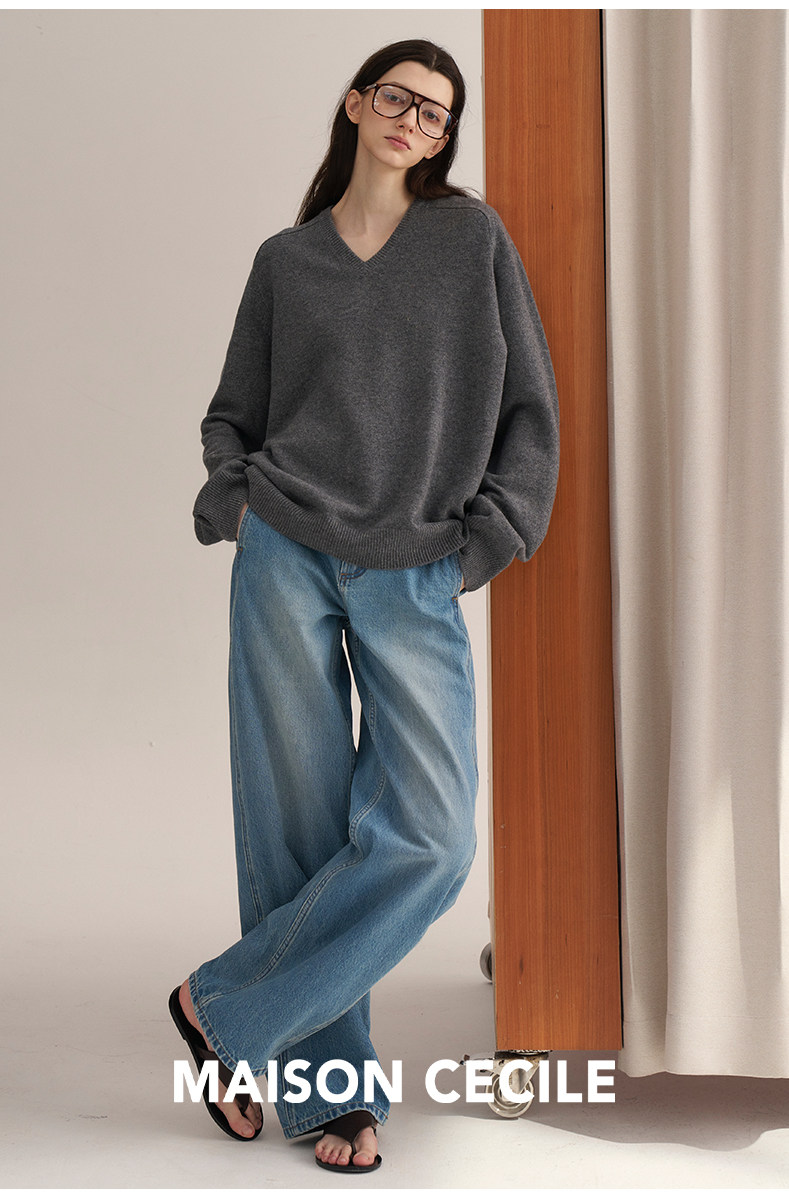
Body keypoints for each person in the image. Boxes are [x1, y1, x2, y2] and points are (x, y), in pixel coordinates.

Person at [169, 37, 559, 1173]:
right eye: (398, 98)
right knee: (294, 829)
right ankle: (328, 1091)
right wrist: (236, 499)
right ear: (355, 103)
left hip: (416, 564)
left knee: (430, 838)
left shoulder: (470, 240)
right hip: (285, 553)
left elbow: (528, 408)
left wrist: (487, 539)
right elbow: (233, 411)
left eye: (437, 114)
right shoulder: (285, 261)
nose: (413, 122)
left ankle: (218, 1010)